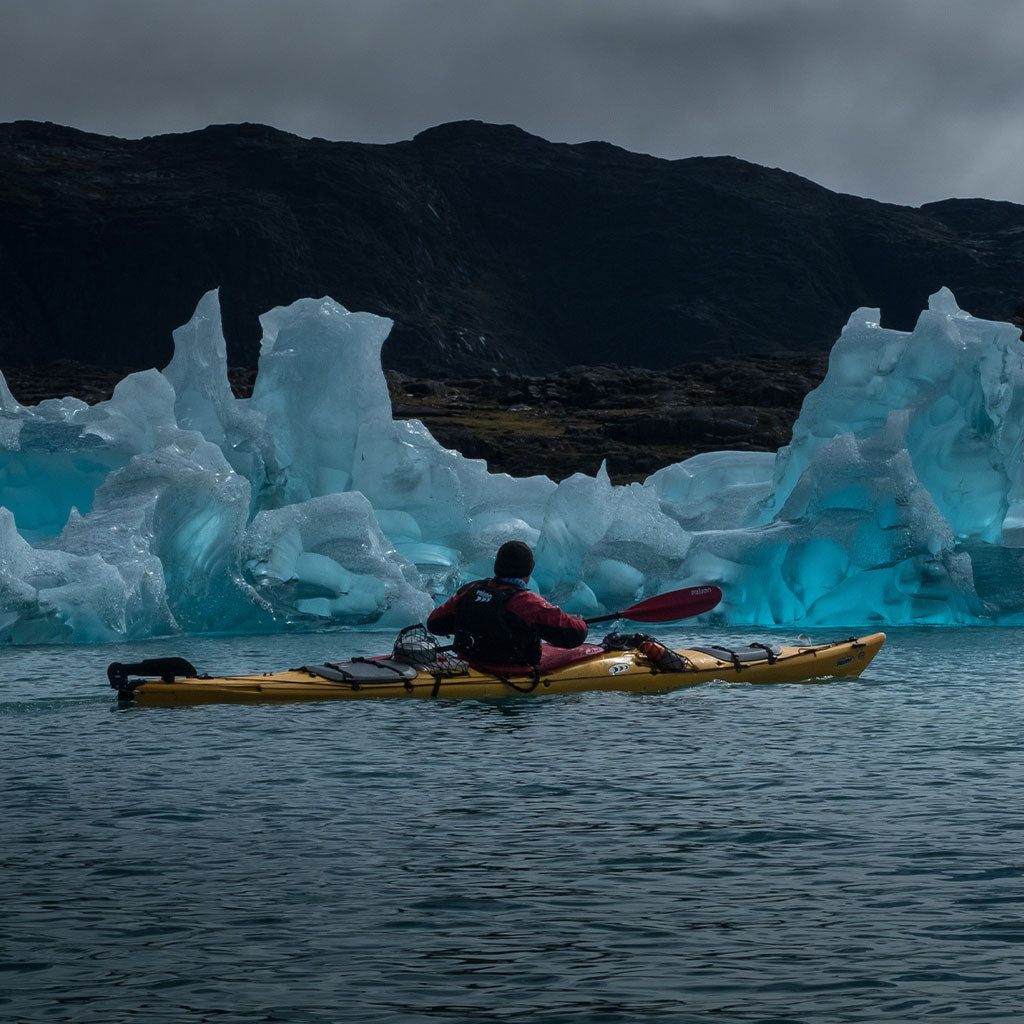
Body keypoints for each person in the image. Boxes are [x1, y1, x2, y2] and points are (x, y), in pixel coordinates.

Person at [427, 540, 588, 666]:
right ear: (529, 569)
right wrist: (580, 622)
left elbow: (435, 624)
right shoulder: (526, 602)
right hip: (509, 670)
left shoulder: (472, 590)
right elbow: (574, 635)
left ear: (497, 566)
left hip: (469, 663)